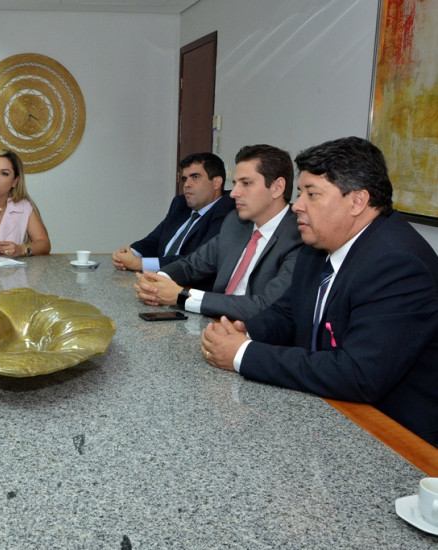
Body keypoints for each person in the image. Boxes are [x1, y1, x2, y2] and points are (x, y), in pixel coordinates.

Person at [201, 136, 438, 446]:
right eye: (300, 193)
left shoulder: (397, 264)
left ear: (357, 201)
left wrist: (242, 353)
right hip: (325, 414)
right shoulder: (318, 245)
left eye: (312, 195)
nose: (297, 205)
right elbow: (288, 313)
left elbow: (358, 374)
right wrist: (244, 329)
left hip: (394, 439)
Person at [134, 144, 303, 320]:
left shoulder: (298, 236)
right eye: (235, 183)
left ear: (277, 187)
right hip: (213, 324)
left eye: (246, 183)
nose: (234, 193)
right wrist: (157, 282)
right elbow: (191, 265)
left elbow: (265, 306)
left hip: (255, 338)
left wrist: (182, 296)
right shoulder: (235, 223)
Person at [112, 152, 235, 291]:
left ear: (216, 183)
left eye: (195, 177)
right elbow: (154, 240)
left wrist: (140, 263)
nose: (187, 184)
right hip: (154, 281)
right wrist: (131, 253)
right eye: (184, 179)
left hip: (186, 288)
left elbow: (196, 260)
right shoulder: (180, 204)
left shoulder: (226, 210)